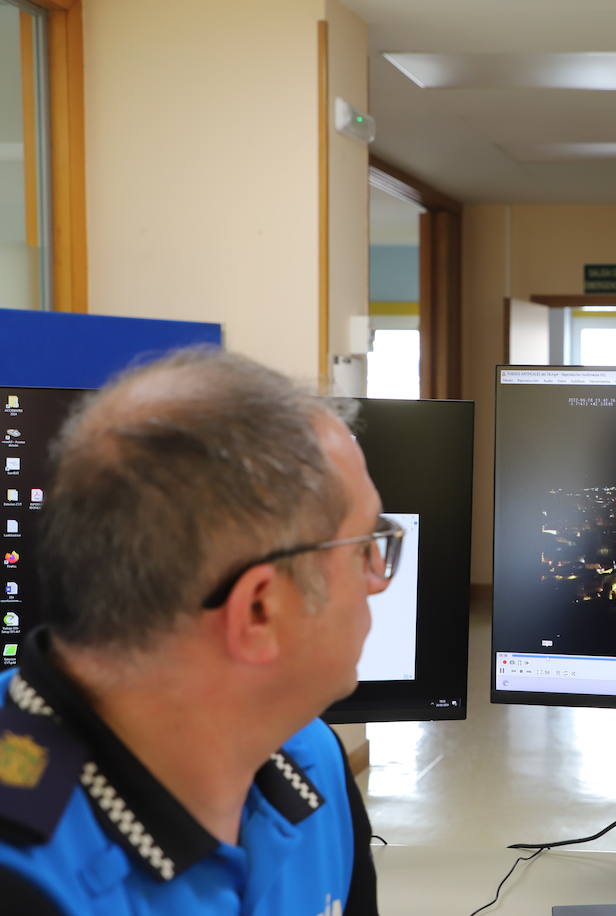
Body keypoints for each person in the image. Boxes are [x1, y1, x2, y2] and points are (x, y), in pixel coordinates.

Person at [0, 349, 393, 914]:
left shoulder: (310, 759)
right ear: (259, 610)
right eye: (363, 547)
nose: (379, 577)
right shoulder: (25, 879)